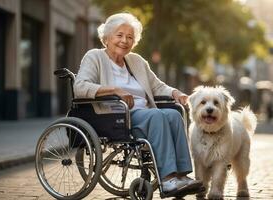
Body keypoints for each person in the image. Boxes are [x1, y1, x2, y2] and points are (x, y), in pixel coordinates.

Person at [74, 12, 200, 193]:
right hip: (114, 115)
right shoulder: (94, 57)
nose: (124, 40)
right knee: (156, 115)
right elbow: (80, 87)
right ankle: (167, 179)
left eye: (130, 37)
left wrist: (175, 93)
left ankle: (182, 175)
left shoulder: (136, 61)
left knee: (174, 114)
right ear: (106, 38)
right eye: (119, 35)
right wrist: (114, 90)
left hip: (144, 113)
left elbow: (157, 86)